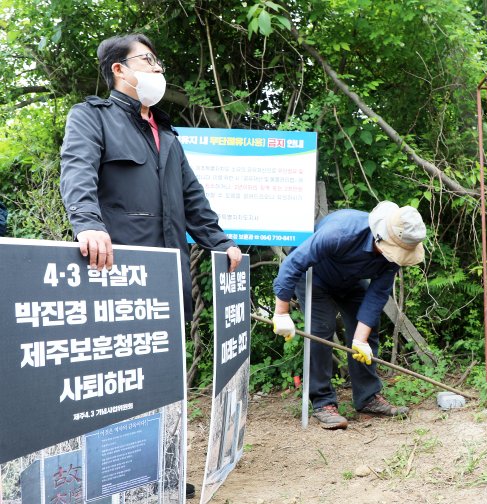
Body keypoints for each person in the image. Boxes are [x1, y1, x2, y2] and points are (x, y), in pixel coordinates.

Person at [59, 33, 241, 499]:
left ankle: (163, 474)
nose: (158, 69)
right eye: (148, 60)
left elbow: (194, 202)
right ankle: (113, 480)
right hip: (116, 278)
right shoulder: (92, 118)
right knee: (115, 383)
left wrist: (221, 243)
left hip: (168, 282)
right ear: (119, 69)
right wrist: (87, 224)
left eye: (158, 61)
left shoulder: (168, 137)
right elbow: (77, 170)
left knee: (163, 383)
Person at [272, 201, 426, 430]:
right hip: (316, 277)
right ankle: (323, 402)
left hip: (351, 280)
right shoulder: (340, 233)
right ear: (381, 237)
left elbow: (377, 294)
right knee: (320, 332)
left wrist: (360, 340)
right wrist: (281, 312)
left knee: (367, 331)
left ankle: (367, 398)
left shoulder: (395, 254)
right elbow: (293, 263)